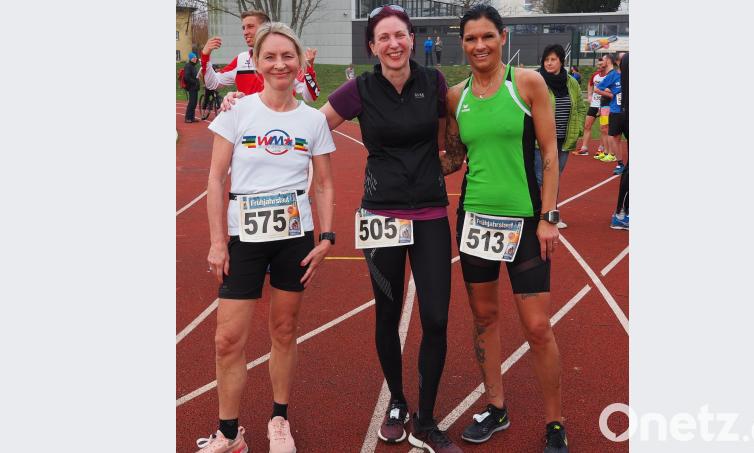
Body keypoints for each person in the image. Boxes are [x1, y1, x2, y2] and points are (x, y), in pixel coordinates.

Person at [323, 5, 461, 452]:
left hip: (430, 213)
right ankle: (398, 401)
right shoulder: (360, 89)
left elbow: (450, 133)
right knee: (387, 313)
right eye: (383, 37)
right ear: (372, 46)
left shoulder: (432, 82)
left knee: (436, 317)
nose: (393, 44)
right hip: (381, 215)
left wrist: (452, 158)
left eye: (399, 35)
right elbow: (310, 126)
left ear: (412, 38)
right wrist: (249, 105)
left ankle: (426, 416)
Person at [197, 22, 336, 453]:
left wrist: (327, 237)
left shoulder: (312, 120)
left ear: (299, 62)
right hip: (244, 238)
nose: (280, 64)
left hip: (294, 237)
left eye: (287, 56)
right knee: (227, 338)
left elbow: (326, 184)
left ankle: (279, 420)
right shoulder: (236, 111)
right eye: (270, 56)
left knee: (284, 330)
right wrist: (218, 240)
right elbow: (216, 179)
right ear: (256, 62)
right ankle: (229, 431)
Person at [439, 5, 568, 453]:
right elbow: (453, 158)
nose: (479, 46)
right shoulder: (457, 97)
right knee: (484, 319)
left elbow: (549, 155)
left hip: (526, 221)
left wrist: (549, 217)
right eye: (471, 38)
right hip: (475, 220)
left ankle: (555, 422)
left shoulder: (527, 83)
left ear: (503, 36)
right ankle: (496, 407)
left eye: (487, 37)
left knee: (537, 327)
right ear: (463, 43)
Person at [200, 10, 320, 103]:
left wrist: (308, 69)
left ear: (265, 28)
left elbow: (310, 96)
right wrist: (205, 56)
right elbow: (212, 83)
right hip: (249, 128)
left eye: (250, 26)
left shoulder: (284, 61)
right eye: (244, 28)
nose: (245, 32)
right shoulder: (241, 59)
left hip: (279, 126)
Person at [533, 44, 585, 229]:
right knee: (540, 178)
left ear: (561, 61)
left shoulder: (571, 82)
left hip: (564, 139)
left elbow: (579, 105)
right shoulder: (536, 80)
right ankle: (539, 214)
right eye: (546, 59)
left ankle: (551, 215)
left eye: (553, 59)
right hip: (541, 141)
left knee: (554, 177)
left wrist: (578, 128)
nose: (549, 63)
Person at [596, 53, 626, 175]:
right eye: (623, 58)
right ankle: (620, 164)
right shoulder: (612, 75)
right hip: (616, 111)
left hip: (629, 111)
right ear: (617, 61)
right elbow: (598, 88)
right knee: (616, 138)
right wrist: (611, 95)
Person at [610, 51, 629, 229]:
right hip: (620, 113)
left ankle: (623, 211)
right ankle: (621, 212)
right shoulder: (615, 75)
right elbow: (601, 90)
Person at [574, 57, 606, 156]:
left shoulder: (609, 76)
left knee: (603, 128)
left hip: (605, 106)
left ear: (606, 65)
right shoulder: (595, 75)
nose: (598, 66)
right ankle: (584, 148)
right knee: (587, 126)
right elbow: (590, 84)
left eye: (601, 65)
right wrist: (589, 95)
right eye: (598, 64)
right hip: (594, 105)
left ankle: (601, 148)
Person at [593, 53, 618, 164]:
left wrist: (606, 93)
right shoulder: (609, 75)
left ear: (608, 61)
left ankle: (611, 153)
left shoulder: (613, 74)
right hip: (604, 106)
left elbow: (615, 92)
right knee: (603, 129)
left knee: (608, 130)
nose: (601, 63)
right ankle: (606, 152)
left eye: (602, 60)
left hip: (609, 106)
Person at [184, 52, 201, 123]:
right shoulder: (188, 66)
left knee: (194, 103)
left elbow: (195, 76)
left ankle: (192, 118)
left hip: (195, 87)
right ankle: (188, 118)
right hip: (191, 87)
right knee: (191, 102)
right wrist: (195, 82)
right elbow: (187, 77)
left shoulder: (194, 66)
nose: (195, 59)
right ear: (191, 59)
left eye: (195, 57)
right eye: (193, 58)